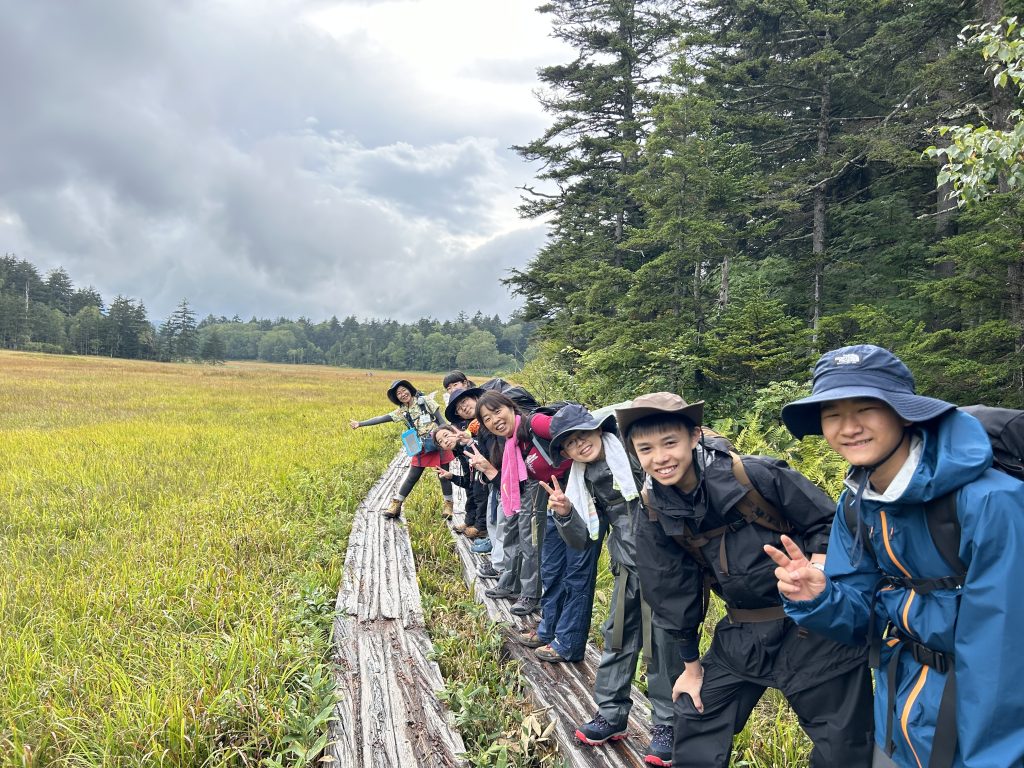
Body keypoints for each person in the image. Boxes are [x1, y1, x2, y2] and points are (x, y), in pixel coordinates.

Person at [769, 344, 1024, 768]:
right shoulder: (858, 503)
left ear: (905, 413)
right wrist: (817, 598)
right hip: (900, 703)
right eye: (832, 414)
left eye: (866, 408)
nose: (848, 427)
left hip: (979, 722)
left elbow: (1003, 659)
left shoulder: (992, 502)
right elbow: (862, 618)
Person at [617, 392, 873, 768]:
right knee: (696, 710)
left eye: (670, 442)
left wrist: (816, 571)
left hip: (814, 627)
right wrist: (690, 668)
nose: (660, 458)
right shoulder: (655, 508)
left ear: (694, 436)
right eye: (646, 449)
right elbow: (669, 590)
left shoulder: (755, 474)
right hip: (745, 631)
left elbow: (828, 520)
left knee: (844, 745)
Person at [542, 403, 683, 767]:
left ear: (596, 430)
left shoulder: (634, 453)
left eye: (582, 436)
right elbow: (583, 538)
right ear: (567, 453)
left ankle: (667, 725)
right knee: (617, 636)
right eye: (570, 444)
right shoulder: (583, 478)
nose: (579, 446)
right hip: (626, 565)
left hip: (666, 566)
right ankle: (611, 714)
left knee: (661, 645)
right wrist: (564, 512)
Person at [466, 391, 571, 617]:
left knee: (530, 538)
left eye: (497, 411)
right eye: (487, 419)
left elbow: (568, 427)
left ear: (511, 407)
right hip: (524, 486)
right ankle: (511, 582)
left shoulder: (532, 423)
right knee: (513, 532)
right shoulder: (510, 440)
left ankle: (531, 594)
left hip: (544, 486)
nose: (494, 420)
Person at [349, 379, 455, 519]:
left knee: (443, 475)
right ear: (396, 397)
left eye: (404, 390)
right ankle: (396, 504)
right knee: (412, 476)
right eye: (398, 393)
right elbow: (382, 418)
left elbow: (441, 421)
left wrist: (448, 439)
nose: (403, 394)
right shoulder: (402, 412)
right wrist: (360, 423)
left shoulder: (425, 401)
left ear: (410, 389)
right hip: (421, 446)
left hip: (439, 443)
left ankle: (448, 505)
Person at [433, 425, 488, 540]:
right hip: (476, 479)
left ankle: (481, 527)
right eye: (441, 441)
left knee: (479, 492)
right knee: (470, 491)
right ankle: (470, 521)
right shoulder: (458, 451)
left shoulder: (467, 445)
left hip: (486, 478)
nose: (446, 441)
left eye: (446, 435)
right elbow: (468, 481)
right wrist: (451, 476)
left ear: (455, 432)